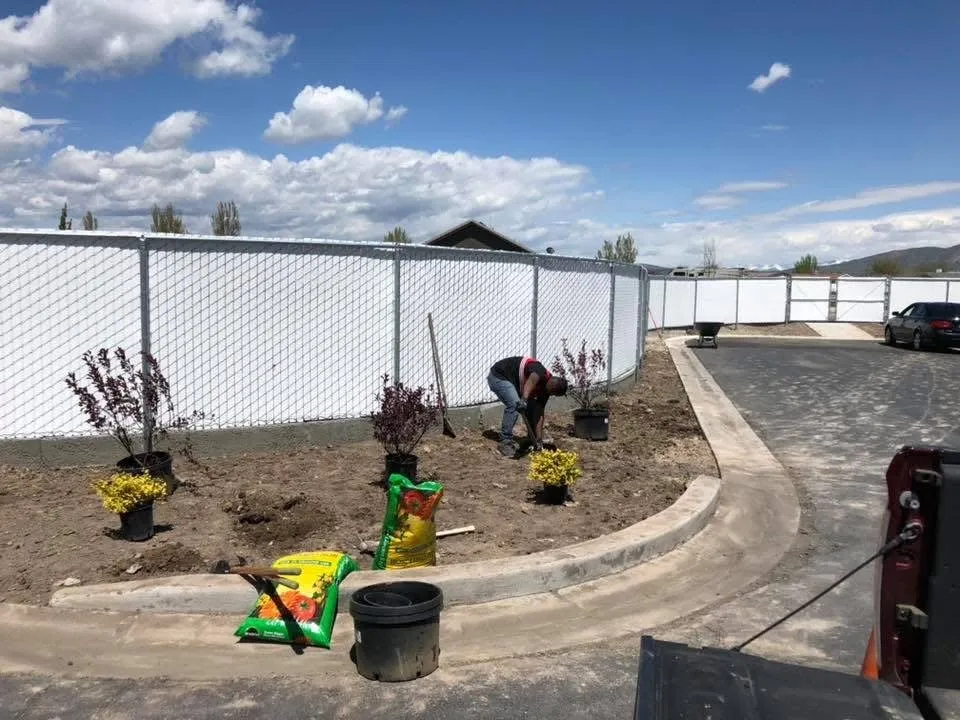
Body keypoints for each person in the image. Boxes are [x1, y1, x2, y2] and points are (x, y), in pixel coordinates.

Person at [486, 355, 568, 457]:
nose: (551, 395)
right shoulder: (540, 372)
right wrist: (523, 400)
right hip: (498, 376)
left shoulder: (545, 391)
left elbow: (539, 413)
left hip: (513, 382)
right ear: (552, 387)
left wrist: (539, 438)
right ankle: (505, 442)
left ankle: (532, 439)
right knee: (514, 404)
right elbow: (532, 380)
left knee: (533, 407)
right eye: (553, 393)